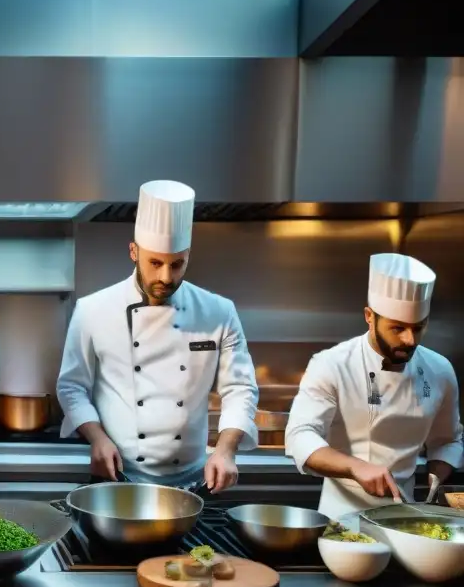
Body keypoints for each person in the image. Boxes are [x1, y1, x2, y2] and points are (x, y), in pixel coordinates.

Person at [56, 180, 259, 493]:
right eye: (155, 263)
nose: (166, 276)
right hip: (116, 479)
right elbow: (72, 386)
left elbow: (240, 388)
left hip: (195, 483)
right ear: (133, 252)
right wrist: (96, 438)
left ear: (188, 255)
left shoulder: (219, 312)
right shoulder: (92, 310)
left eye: (177, 264)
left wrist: (225, 449)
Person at [285, 253, 463, 519]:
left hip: (407, 512)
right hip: (343, 516)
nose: (409, 340)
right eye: (398, 328)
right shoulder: (331, 364)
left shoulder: (440, 370)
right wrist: (356, 467)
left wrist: (436, 478)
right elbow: (299, 436)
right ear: (370, 316)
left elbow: (447, 439)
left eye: (418, 327)